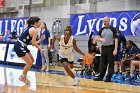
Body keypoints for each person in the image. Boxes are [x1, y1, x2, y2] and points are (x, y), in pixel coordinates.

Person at [14, 17, 45, 85]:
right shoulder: (35, 31)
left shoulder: (30, 27)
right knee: (29, 62)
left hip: (23, 45)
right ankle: (23, 77)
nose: (40, 23)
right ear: (36, 23)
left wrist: (40, 49)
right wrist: (41, 39)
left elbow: (33, 43)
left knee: (32, 61)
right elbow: (33, 44)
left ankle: (24, 74)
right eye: (39, 22)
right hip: (20, 46)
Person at [93, 16, 118, 82]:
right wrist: (100, 39)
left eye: (105, 21)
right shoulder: (101, 29)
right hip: (104, 47)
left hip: (111, 47)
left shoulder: (113, 29)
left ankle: (108, 77)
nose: (104, 22)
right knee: (102, 63)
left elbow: (116, 39)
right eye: (103, 21)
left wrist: (115, 49)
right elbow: (96, 39)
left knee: (110, 63)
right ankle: (101, 76)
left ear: (109, 21)